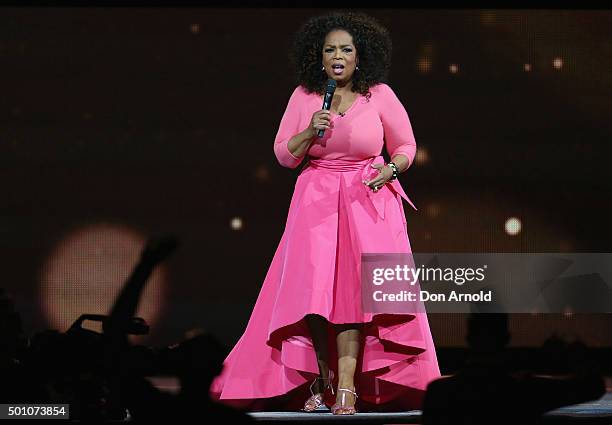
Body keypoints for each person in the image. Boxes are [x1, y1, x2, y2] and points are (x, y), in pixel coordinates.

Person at [209, 11, 440, 415]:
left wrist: (389, 168)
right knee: (314, 297)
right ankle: (323, 378)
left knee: (355, 297)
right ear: (319, 57)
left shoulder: (380, 94)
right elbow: (284, 154)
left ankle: (348, 387)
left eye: (346, 49)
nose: (338, 56)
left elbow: (405, 147)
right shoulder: (305, 96)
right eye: (330, 49)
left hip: (368, 200)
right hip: (315, 199)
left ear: (359, 56)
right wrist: (308, 132)